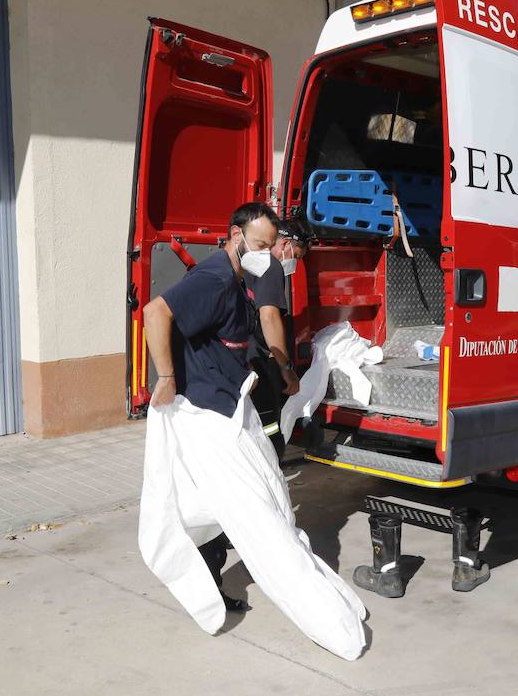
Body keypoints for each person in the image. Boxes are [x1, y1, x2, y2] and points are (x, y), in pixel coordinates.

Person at [137, 202, 367, 660]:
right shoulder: (216, 278)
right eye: (260, 244)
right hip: (209, 419)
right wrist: (165, 377)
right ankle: (299, 605)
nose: (268, 254)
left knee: (238, 507)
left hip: (228, 407)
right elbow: (154, 313)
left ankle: (214, 587)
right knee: (255, 517)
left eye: (271, 245)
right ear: (236, 235)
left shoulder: (238, 277)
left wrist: (271, 367)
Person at [244, 216, 315, 456]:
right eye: (297, 255)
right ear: (285, 245)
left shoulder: (247, 260)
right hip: (260, 359)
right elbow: (269, 318)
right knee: (269, 428)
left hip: (242, 356)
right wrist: (286, 367)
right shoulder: (271, 267)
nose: (295, 261)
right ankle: (270, 472)